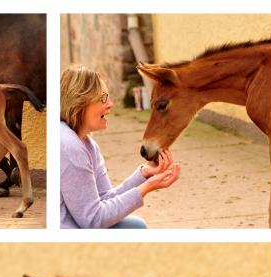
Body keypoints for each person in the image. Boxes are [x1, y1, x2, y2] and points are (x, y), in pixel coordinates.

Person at [60, 65, 181, 229]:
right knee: (135, 228)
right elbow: (93, 220)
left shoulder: (88, 145)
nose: (110, 104)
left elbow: (104, 199)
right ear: (79, 102)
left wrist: (144, 174)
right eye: (102, 98)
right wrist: (147, 188)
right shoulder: (68, 146)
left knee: (135, 226)